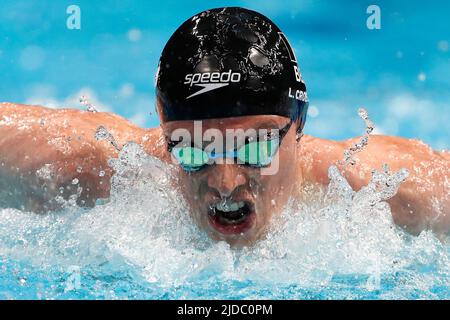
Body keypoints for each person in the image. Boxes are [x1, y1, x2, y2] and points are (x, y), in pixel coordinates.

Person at [0, 7, 448, 246]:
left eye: (253, 149)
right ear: (163, 131)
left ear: (300, 125)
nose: (226, 183)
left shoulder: (380, 192)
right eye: (194, 153)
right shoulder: (96, 170)